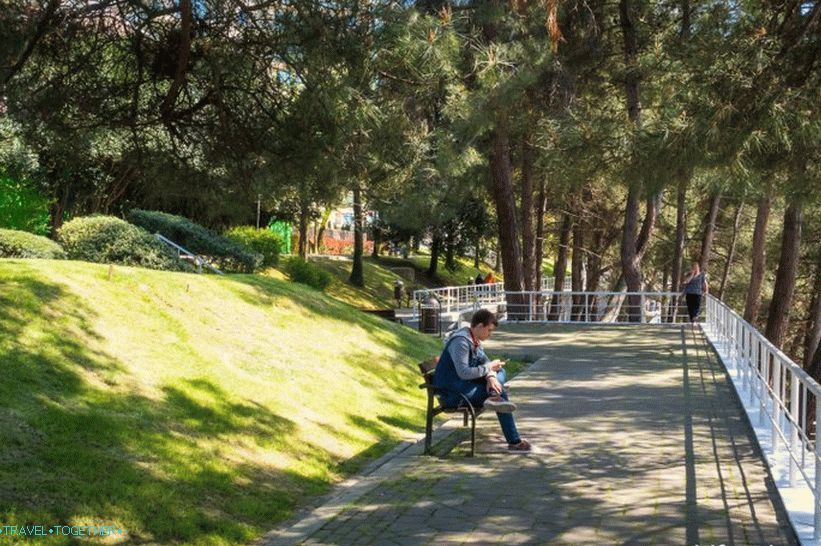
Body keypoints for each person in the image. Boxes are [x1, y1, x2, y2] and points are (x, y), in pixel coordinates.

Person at [432, 309, 531, 452]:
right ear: (479, 326)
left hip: (464, 386)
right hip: (453, 393)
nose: (490, 335)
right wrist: (489, 368)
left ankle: (493, 394)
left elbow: (485, 361)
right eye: (489, 330)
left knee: (500, 372)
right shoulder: (461, 342)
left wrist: (491, 376)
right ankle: (514, 441)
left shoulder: (474, 339)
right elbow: (464, 373)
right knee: (501, 393)